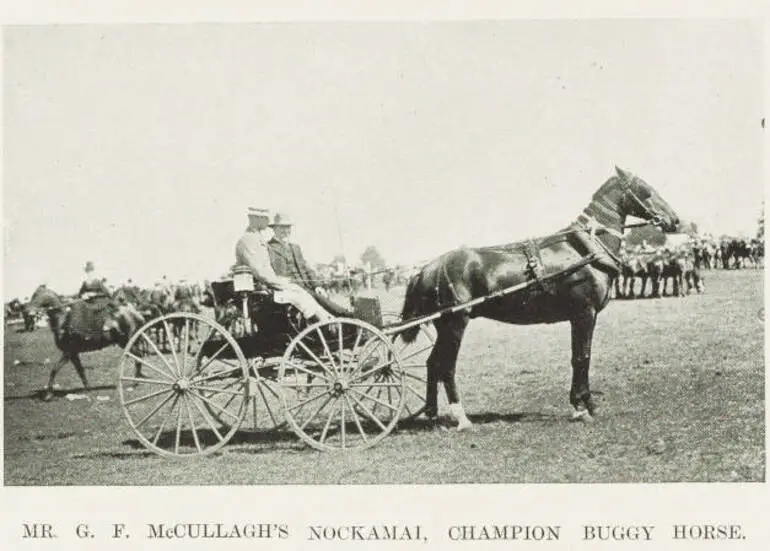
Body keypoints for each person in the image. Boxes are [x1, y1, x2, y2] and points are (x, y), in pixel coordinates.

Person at [235, 207, 335, 324]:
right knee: (300, 295)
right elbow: (261, 272)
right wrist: (282, 283)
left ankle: (328, 320)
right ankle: (326, 322)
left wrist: (315, 285)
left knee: (305, 294)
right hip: (263, 290)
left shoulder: (257, 238)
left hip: (273, 286)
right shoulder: (249, 240)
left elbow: (305, 267)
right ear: (254, 219)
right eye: (265, 218)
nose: (267, 221)